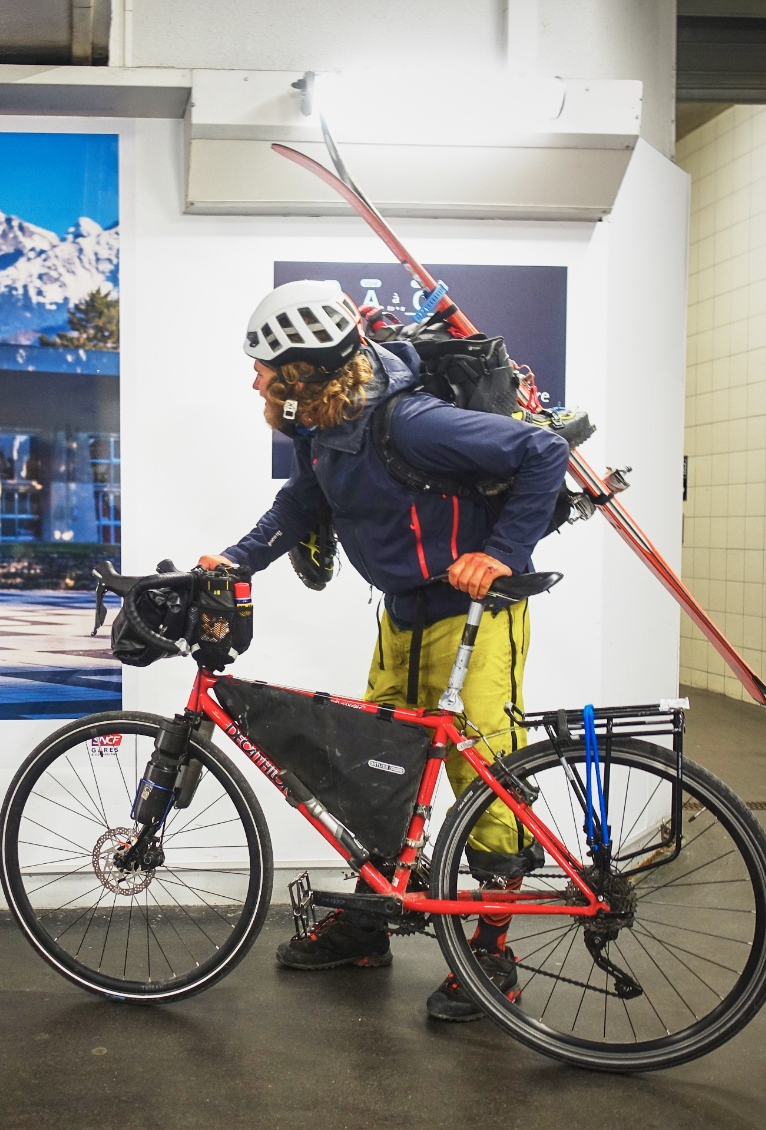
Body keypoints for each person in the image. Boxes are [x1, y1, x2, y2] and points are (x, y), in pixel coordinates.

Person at [198, 279, 570, 1021]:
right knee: (380, 770)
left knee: (487, 780)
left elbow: (542, 451)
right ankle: (370, 924)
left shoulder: (412, 422)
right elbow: (306, 501)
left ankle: (493, 956)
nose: (257, 379)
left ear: (305, 369)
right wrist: (236, 560)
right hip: (401, 620)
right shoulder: (323, 421)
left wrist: (501, 552)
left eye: (267, 367)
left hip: (471, 621)